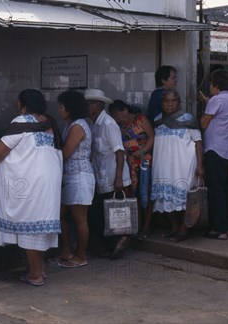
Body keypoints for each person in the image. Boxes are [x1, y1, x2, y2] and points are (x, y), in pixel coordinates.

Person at [0, 89, 63, 286]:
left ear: (24, 105)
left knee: (29, 226)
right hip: (49, 183)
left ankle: (35, 275)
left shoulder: (21, 122)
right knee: (38, 226)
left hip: (30, 183)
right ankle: (39, 269)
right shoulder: (51, 123)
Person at [151, 90, 204, 241]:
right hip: (163, 166)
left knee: (185, 198)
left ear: (178, 102)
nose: (169, 104)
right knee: (164, 199)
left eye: (173, 101)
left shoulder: (187, 119)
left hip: (183, 165)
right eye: (166, 101)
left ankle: (183, 229)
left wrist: (200, 165)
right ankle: (174, 227)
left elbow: (198, 142)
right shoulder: (158, 120)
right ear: (162, 103)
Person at [85, 89, 132, 260]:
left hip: (113, 177)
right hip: (102, 177)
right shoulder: (94, 124)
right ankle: (112, 244)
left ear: (97, 106)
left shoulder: (108, 124)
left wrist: (118, 178)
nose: (86, 108)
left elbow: (119, 152)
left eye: (88, 104)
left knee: (108, 213)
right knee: (100, 214)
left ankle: (118, 241)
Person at [199, 69, 228, 240]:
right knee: (224, 190)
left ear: (216, 85)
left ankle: (220, 229)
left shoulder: (217, 100)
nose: (209, 85)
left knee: (215, 191)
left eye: (211, 83)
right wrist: (209, 102)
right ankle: (225, 226)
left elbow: (203, 123)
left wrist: (206, 105)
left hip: (216, 150)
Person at [56, 90, 94, 268]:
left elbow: (66, 153)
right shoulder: (70, 124)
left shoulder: (78, 126)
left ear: (70, 108)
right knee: (60, 215)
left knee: (80, 219)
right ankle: (66, 250)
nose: (59, 109)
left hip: (79, 177)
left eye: (61, 106)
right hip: (69, 177)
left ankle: (81, 256)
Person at [109, 99, 155, 241]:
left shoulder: (141, 119)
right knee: (134, 196)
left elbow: (152, 137)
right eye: (114, 116)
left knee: (146, 194)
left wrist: (142, 151)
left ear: (125, 110)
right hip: (130, 164)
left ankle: (147, 227)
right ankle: (137, 226)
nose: (117, 118)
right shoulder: (118, 127)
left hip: (144, 162)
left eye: (118, 115)